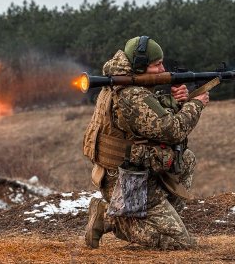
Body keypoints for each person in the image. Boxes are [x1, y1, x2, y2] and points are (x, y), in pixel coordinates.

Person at [83, 36, 210, 249]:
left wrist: (176, 102)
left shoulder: (122, 82)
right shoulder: (130, 94)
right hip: (126, 180)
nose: (163, 68)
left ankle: (158, 221)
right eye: (156, 65)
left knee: (185, 160)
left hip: (134, 170)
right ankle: (109, 218)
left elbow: (148, 121)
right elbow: (173, 131)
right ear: (139, 66)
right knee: (180, 244)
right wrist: (195, 104)